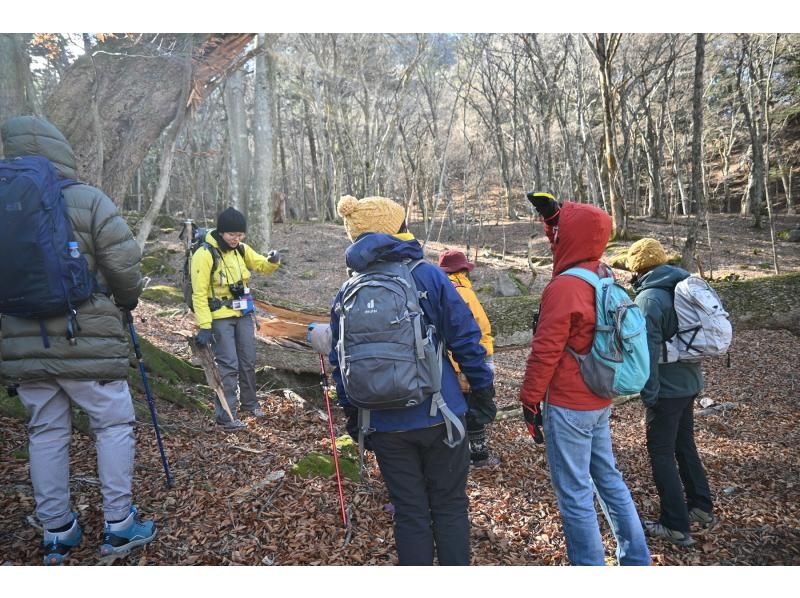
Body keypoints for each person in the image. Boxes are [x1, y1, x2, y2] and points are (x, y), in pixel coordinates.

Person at [0, 115, 155, 564]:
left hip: (22, 342)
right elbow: (124, 265)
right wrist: (125, 303)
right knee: (112, 425)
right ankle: (120, 525)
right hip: (86, 335)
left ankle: (57, 531)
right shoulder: (87, 201)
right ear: (59, 150)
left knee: (45, 432)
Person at [329, 195, 494, 565]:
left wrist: (354, 417)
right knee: (449, 506)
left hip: (382, 422)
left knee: (409, 512)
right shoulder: (425, 274)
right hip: (440, 415)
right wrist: (482, 392)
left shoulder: (347, 290)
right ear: (396, 229)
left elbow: (340, 361)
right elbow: (466, 337)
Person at [518, 191, 651, 566]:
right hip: (599, 397)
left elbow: (546, 351)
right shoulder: (601, 273)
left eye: (559, 230)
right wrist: (552, 220)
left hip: (569, 404)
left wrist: (529, 400)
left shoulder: (564, 288)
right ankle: (636, 560)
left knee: (575, 493)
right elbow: (572, 244)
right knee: (608, 480)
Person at [628, 238, 717, 547]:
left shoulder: (649, 298)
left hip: (667, 389)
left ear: (637, 268)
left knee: (661, 452)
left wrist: (648, 392)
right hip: (690, 382)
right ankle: (701, 507)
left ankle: (675, 524)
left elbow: (646, 352)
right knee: (684, 446)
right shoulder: (682, 286)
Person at [191, 207, 280, 429]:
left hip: (243, 314)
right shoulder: (204, 254)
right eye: (232, 235)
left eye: (240, 235)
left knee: (248, 360)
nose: (236, 239)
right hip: (219, 317)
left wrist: (272, 261)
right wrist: (204, 326)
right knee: (228, 364)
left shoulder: (241, 249)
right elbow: (199, 293)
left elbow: (261, 265)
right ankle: (226, 415)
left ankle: (250, 403)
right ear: (221, 232)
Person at [438, 249, 499, 467]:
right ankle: (478, 456)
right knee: (474, 409)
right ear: (463, 270)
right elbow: (481, 327)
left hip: (445, 362)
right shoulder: (464, 292)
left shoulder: (439, 290)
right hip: (468, 359)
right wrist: (486, 359)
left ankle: (456, 456)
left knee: (454, 409)